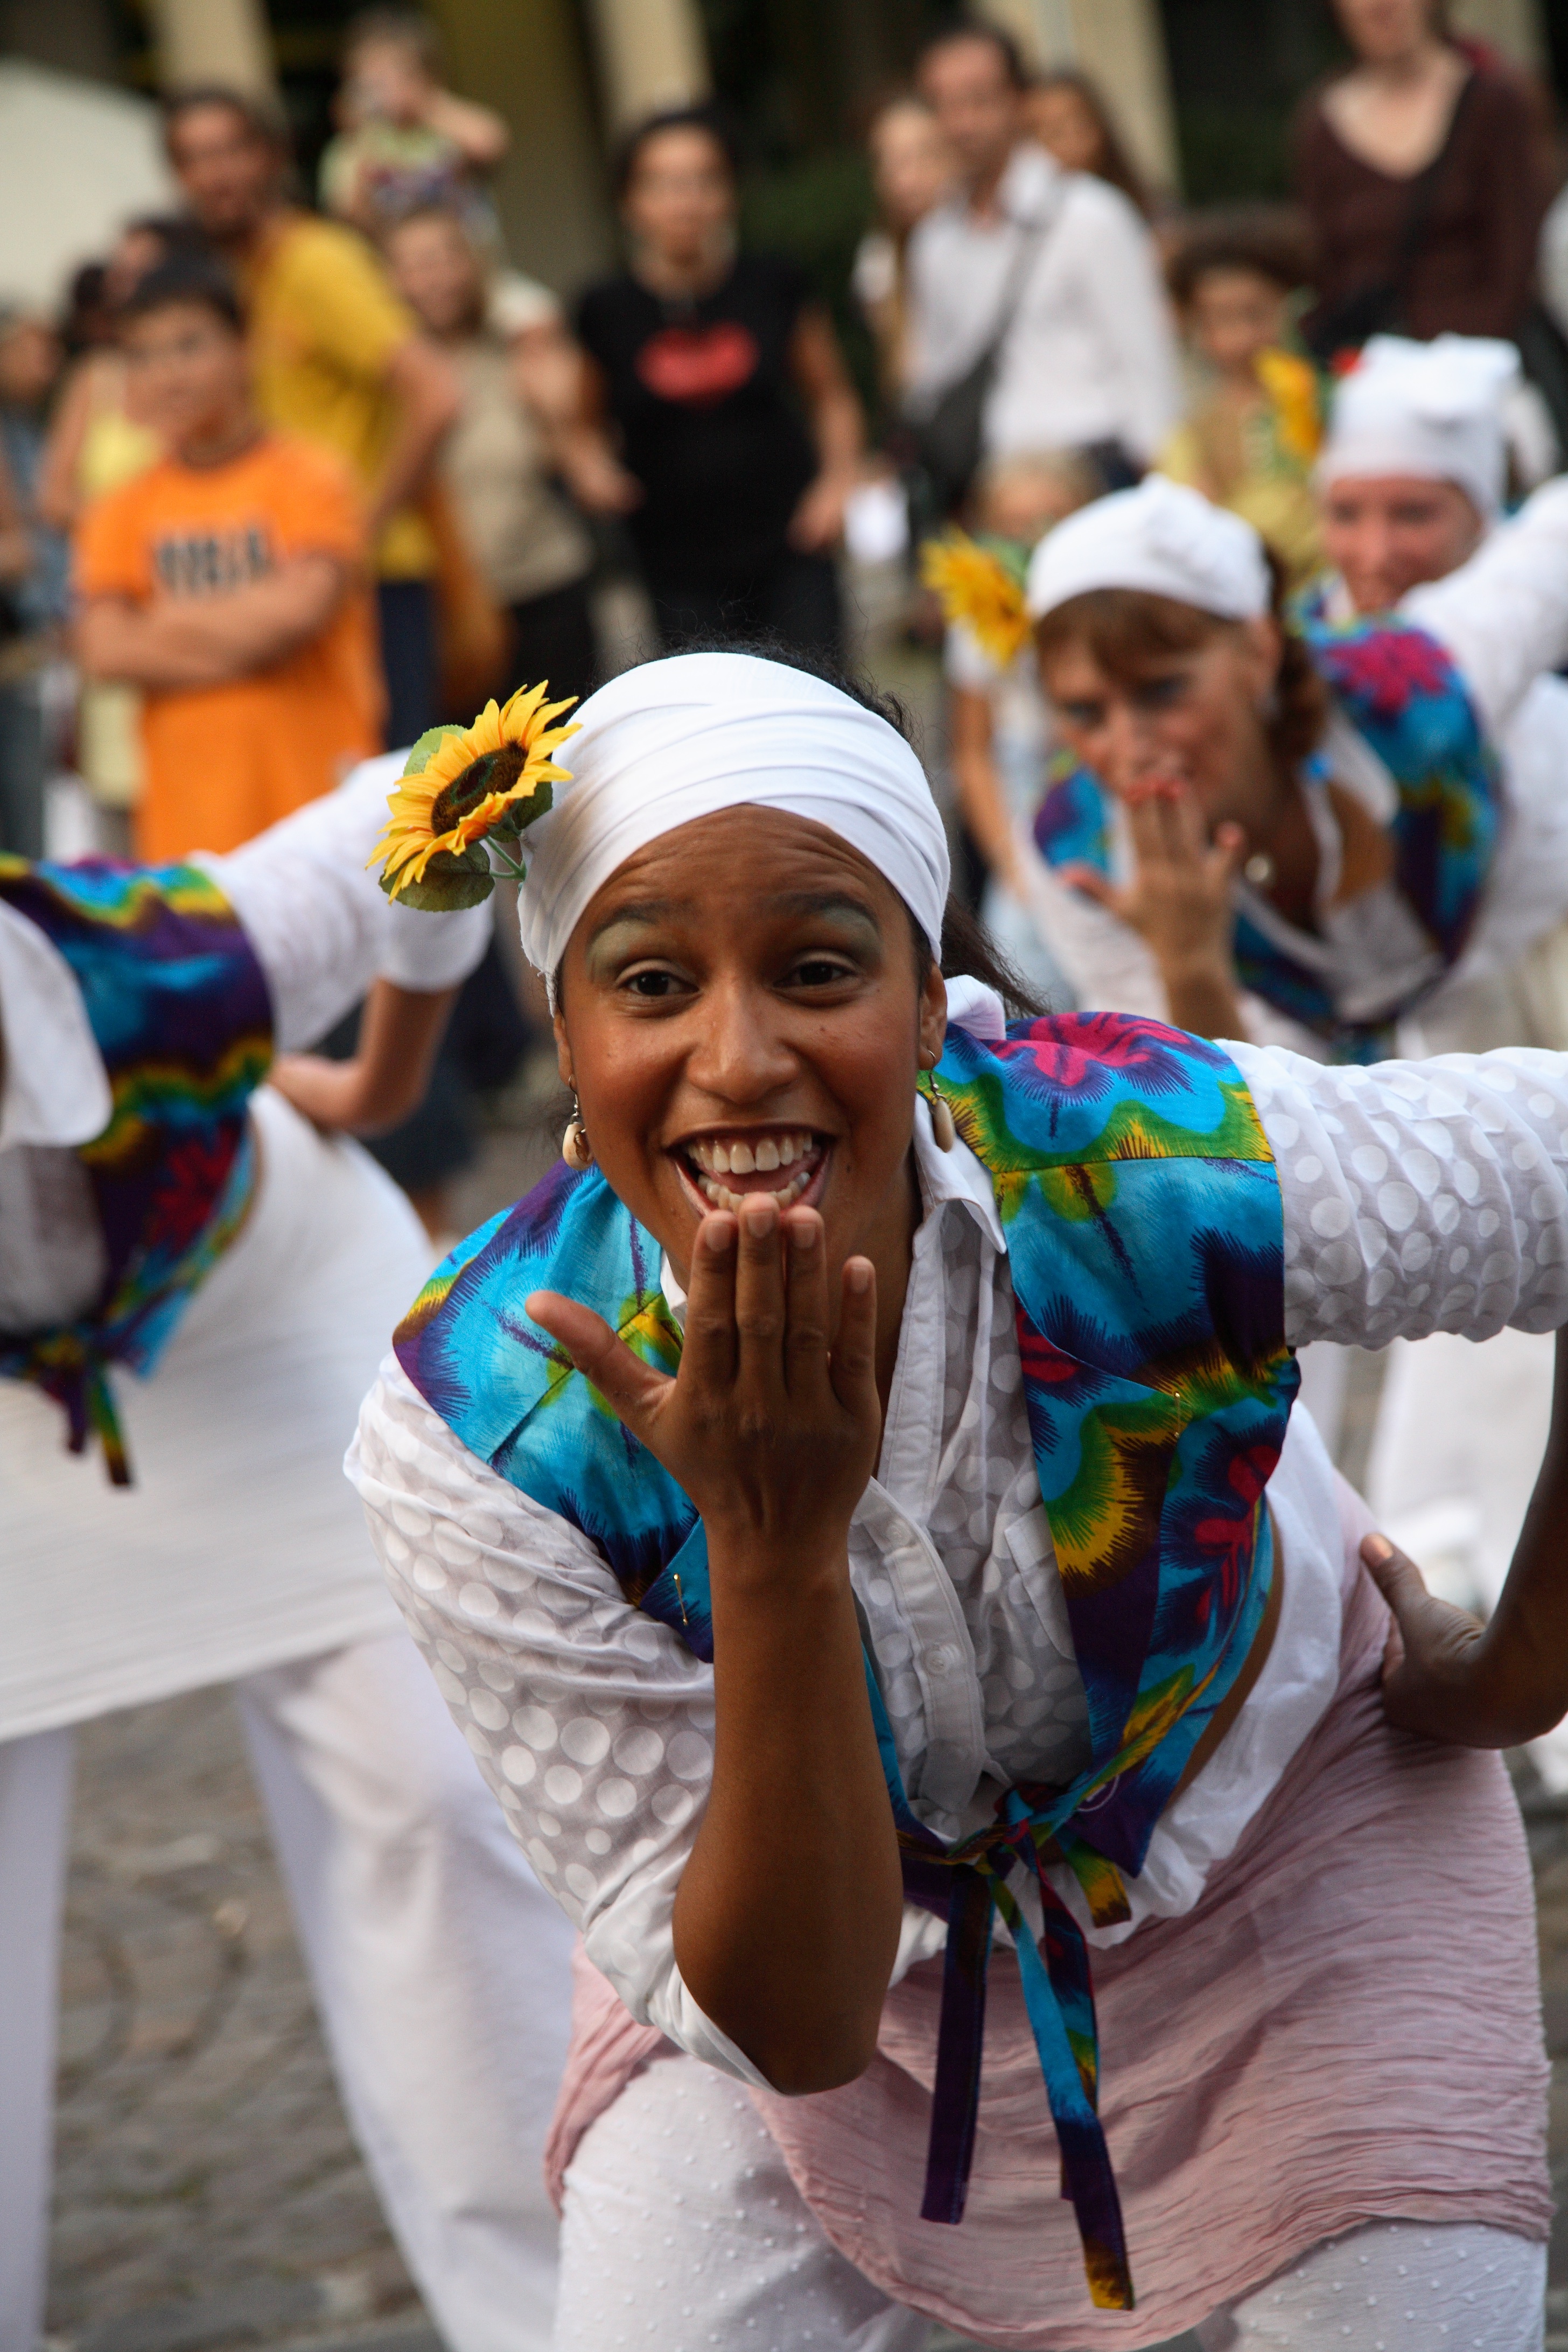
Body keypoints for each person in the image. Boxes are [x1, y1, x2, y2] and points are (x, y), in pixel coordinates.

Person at [347, 642, 1565, 2348]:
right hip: (819, 1943)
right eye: (651, 983)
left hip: (1280, 1836)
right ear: (563, 1029)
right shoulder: (483, 1428)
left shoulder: (1153, 1168)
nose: (737, 1057)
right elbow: (798, 2024)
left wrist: (1519, 1673)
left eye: (817, 969)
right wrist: (773, 1555)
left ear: (929, 1003)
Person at [0, 736, 576, 2351]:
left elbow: (429, 796)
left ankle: (558, 2306)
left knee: (436, 1796)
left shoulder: (179, 957)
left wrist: (378, 1085)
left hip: (267, 1313)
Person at [1020, 471, 1568, 1067]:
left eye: (1162, 691)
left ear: (1258, 652)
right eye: (1084, 712)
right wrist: (1188, 964)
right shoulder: (1080, 858)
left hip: (1535, 913)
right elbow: (1236, 1107)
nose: (1130, 747)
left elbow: (1547, 556)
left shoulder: (1406, 683)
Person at [163, 83, 461, 747]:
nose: (215, 175)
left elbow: (437, 392)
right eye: (194, 158)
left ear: (272, 157)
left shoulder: (316, 260)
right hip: (299, 595)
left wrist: (356, 532)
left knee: (392, 799)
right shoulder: (238, 276)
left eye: (231, 151)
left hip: (374, 584)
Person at [74, 262, 381, 863]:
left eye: (189, 346)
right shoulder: (121, 508)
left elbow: (299, 614)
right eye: (144, 356)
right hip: (192, 838)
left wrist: (161, 622)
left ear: (244, 349)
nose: (168, 375)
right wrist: (252, 635)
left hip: (324, 818)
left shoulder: (312, 477)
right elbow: (105, 650)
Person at [570, 106, 864, 663]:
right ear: (630, 202)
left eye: (703, 180)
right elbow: (580, 423)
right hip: (676, 567)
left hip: (791, 547)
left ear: (730, 193)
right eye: (662, 184)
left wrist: (836, 483)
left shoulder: (773, 283)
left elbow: (832, 396)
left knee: (816, 687)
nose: (685, 201)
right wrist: (591, 469)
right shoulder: (605, 308)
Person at [905, 21, 1179, 500]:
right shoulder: (933, 242)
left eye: (978, 100)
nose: (961, 123)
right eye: (942, 105)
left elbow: (1146, 364)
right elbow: (936, 376)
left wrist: (1162, 490)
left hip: (1095, 473)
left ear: (1019, 100)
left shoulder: (1091, 215)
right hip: (988, 486)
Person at [383, 204, 597, 709]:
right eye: (414, 265)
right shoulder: (385, 378)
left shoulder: (518, 349)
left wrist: (561, 405)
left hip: (545, 581)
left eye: (444, 258)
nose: (433, 279)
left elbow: (576, 456)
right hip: (450, 609)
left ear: (473, 264)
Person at [924, 447, 1095, 999]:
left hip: (1099, 821)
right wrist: (1010, 863)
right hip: (1024, 827)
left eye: (1049, 522)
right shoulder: (983, 620)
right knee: (1024, 976)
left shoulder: (1103, 618)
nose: (1029, 543)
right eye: (1013, 527)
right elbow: (972, 753)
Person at [1294, 0, 1544, 360]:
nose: (1381, 6)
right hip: (1371, 365)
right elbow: (1324, 270)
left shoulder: (1495, 102)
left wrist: (1462, 364)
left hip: (1484, 362)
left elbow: (1517, 257)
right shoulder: (1320, 125)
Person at [1158, 211, 1324, 588]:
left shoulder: (1327, 402)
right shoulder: (1191, 436)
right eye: (1220, 319)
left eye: (1256, 315)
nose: (1241, 340)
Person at [319, 6, 509, 249]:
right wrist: (359, 136)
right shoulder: (357, 144)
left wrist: (424, 106)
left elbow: (489, 145)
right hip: (398, 266)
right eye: (370, 80)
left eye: (394, 73)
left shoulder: (443, 120)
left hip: (469, 257)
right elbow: (347, 214)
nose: (383, 89)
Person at [851, 97, 955, 402]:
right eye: (889, 164)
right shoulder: (878, 262)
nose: (904, 182)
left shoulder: (992, 240)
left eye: (921, 158)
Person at [1024, 68, 1152, 218]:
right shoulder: (1024, 220)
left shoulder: (1152, 212)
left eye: (1081, 125)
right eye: (1055, 133)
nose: (1074, 142)